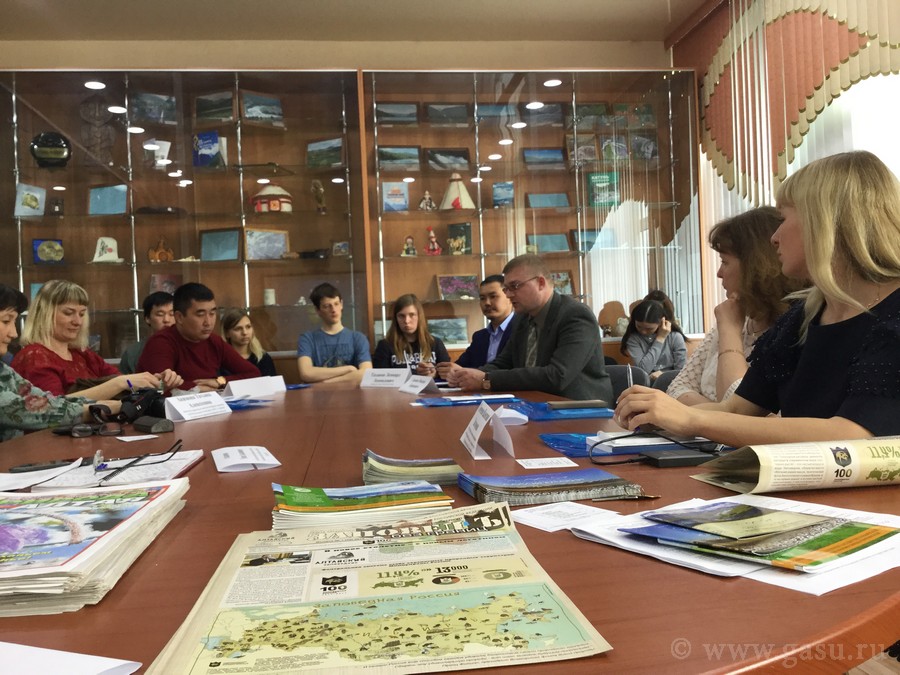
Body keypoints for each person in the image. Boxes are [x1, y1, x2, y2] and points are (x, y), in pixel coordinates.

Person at [616, 151, 900, 445]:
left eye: (783, 219)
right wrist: (659, 414)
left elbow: (854, 435)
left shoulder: (894, 319)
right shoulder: (803, 317)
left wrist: (690, 419)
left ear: (825, 224)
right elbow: (738, 410)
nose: (774, 237)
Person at [667, 207, 806, 404]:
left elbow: (737, 405)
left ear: (755, 267)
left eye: (725, 262)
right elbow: (677, 388)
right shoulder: (734, 316)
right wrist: (718, 414)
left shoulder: (794, 329)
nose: (719, 273)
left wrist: (730, 331)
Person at [446, 254, 612, 401]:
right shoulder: (522, 318)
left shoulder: (575, 315)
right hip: (535, 404)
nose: (508, 295)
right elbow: (505, 362)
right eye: (506, 289)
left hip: (579, 409)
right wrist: (467, 375)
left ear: (540, 283)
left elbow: (557, 375)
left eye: (515, 286)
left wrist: (487, 379)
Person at [12, 280, 180, 399]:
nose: (77, 321)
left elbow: (126, 386)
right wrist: (120, 383)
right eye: (68, 313)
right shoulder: (34, 357)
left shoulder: (83, 355)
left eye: (82, 314)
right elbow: (53, 410)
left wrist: (155, 382)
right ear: (45, 314)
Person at [0, 284, 122, 442]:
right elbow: (25, 410)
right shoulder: (35, 356)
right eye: (6, 321)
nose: (14, 333)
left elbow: (48, 400)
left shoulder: (3, 370)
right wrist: (101, 405)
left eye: (82, 314)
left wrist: (101, 404)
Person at [137, 282, 260, 391]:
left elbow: (253, 374)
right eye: (200, 314)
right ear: (179, 317)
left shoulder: (214, 341)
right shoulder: (161, 342)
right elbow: (159, 387)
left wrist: (220, 381)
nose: (208, 322)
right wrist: (196, 389)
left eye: (212, 313)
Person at [437, 275, 516, 377]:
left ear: (509, 297)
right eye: (482, 298)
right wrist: (435, 371)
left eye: (493, 296)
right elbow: (459, 366)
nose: (487, 303)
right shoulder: (480, 337)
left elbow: (515, 370)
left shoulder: (522, 330)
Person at [297, 283, 372, 384]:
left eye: (336, 304)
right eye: (327, 306)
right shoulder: (307, 339)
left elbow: (366, 374)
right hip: (318, 394)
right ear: (317, 310)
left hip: (351, 394)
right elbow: (306, 373)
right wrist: (348, 369)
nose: (333, 310)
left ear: (341, 304)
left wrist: (324, 383)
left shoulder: (358, 338)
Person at [372, 294, 449, 376]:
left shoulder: (435, 343)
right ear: (396, 319)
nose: (406, 321)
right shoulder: (385, 345)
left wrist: (434, 373)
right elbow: (381, 378)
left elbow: (448, 374)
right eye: (401, 316)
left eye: (412, 315)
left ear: (419, 317)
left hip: (431, 384)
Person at [620, 299, 686, 381]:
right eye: (639, 326)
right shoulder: (633, 339)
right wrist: (660, 339)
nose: (643, 331)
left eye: (649, 328)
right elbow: (643, 369)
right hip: (646, 383)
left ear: (662, 322)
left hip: (673, 382)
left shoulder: (675, 337)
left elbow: (681, 371)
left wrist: (664, 376)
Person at [119, 291, 174, 374]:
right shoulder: (133, 353)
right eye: (160, 314)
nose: (166, 320)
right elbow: (126, 381)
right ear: (147, 318)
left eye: (172, 314)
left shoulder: (186, 346)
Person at [221, 309, 276, 377]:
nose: (245, 332)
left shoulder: (263, 358)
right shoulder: (220, 361)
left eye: (248, 327)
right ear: (227, 333)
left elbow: (272, 383)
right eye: (238, 329)